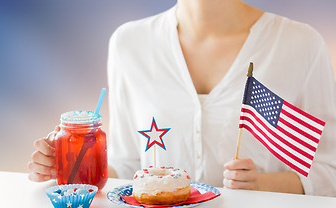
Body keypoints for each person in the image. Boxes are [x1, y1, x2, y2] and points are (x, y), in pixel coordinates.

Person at [28, 0, 336, 196]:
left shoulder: (300, 44)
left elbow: (330, 172)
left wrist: (263, 185)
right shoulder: (129, 43)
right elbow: (127, 165)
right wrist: (72, 168)